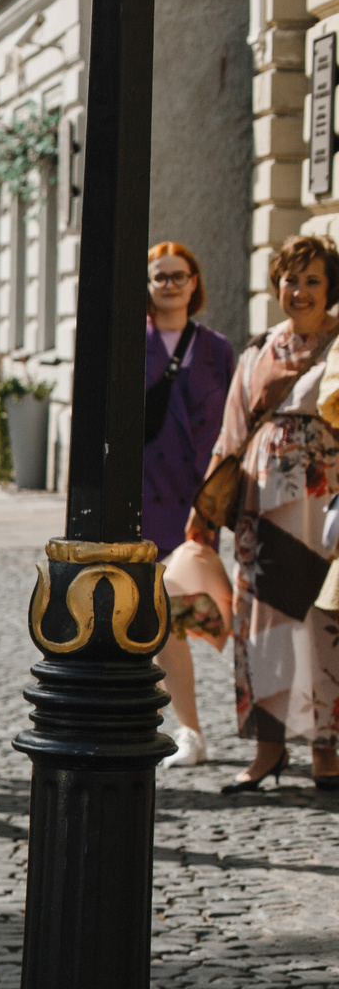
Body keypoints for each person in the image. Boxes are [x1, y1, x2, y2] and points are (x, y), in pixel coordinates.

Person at [188, 233, 339, 794]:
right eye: (290, 279)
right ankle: (268, 748)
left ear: (330, 289)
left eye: (312, 281)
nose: (298, 291)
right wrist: (205, 508)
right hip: (261, 504)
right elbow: (230, 432)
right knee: (263, 625)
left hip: (326, 503)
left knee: (325, 622)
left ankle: (326, 749)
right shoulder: (257, 349)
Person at [142, 240, 238, 767]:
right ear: (149, 286)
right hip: (146, 493)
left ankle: (193, 725)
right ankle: (188, 728)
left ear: (195, 282)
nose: (171, 284)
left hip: (197, 498)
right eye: (161, 277)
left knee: (190, 609)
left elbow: (229, 426)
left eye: (180, 275)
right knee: (160, 615)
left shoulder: (217, 347)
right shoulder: (134, 341)